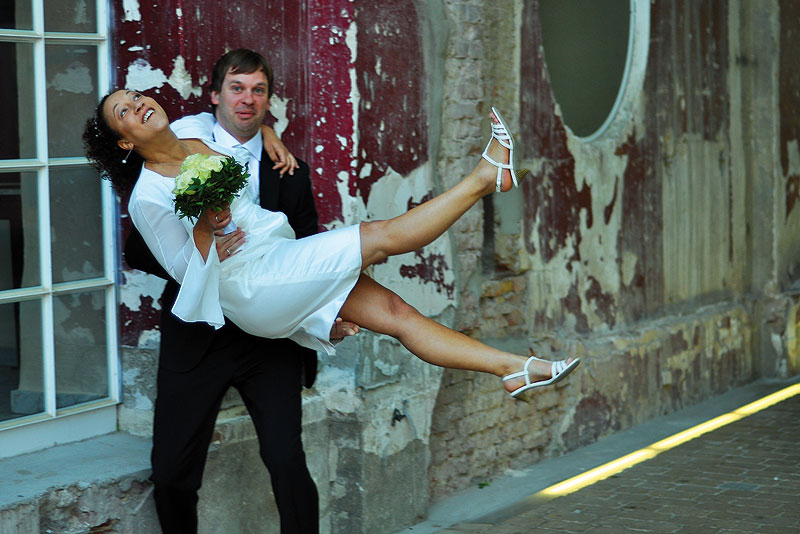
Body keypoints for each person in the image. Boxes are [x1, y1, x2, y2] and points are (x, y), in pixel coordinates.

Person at [87, 83, 580, 388]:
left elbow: (247, 121)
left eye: (135, 97)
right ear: (126, 141)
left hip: (279, 252)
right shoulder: (147, 196)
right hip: (249, 282)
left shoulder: (197, 133)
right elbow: (181, 275)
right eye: (125, 112)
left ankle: (514, 370)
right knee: (380, 236)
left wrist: (271, 135)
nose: (138, 103)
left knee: (397, 314)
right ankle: (485, 177)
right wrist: (207, 227)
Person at [119, 50, 348, 534]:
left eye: (258, 90)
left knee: (287, 459)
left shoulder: (289, 170)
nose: (247, 100)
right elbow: (138, 251)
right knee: (173, 473)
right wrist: (203, 260)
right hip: (202, 332)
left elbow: (309, 249)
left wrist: (325, 313)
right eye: (237, 88)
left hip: (270, 337)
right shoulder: (175, 145)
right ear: (215, 96)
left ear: (269, 100)